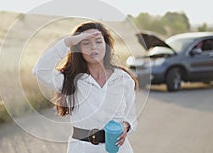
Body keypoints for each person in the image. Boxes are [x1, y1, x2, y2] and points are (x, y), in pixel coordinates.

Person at [33, 22, 138, 153]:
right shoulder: (69, 80)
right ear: (78, 48)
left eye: (99, 41)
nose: (94, 47)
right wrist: (67, 42)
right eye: (86, 43)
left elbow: (131, 116)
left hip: (118, 149)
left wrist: (126, 125)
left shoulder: (123, 79)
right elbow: (40, 70)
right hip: (82, 148)